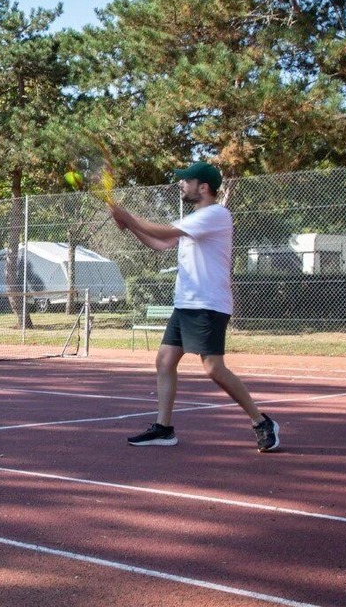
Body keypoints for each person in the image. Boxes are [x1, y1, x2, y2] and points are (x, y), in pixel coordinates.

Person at [108, 161, 278, 452]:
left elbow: (161, 233)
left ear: (204, 188)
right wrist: (131, 226)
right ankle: (164, 428)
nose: (181, 184)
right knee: (164, 360)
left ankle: (261, 422)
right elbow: (160, 243)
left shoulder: (215, 214)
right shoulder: (194, 220)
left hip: (208, 304)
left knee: (213, 368)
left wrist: (128, 217)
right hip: (186, 304)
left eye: (186, 181)